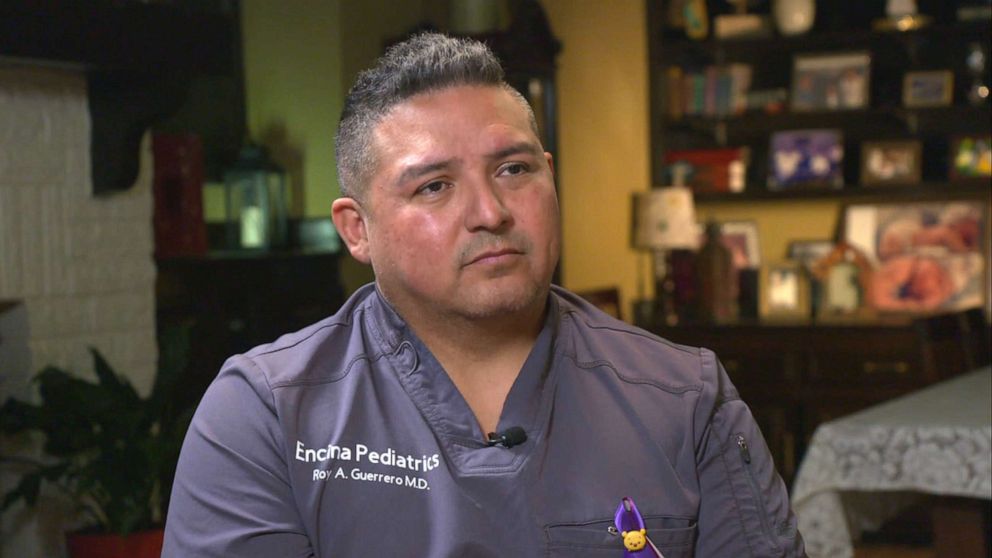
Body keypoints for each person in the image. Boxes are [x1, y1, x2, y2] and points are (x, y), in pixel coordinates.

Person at [163, 32, 805, 557]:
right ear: (357, 230)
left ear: (550, 177)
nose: (491, 212)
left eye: (514, 170)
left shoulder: (686, 400)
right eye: (434, 186)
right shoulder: (266, 414)